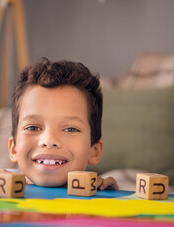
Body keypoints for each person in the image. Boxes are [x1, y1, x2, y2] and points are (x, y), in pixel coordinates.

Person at [8, 58, 118, 190]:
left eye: (70, 129)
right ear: (13, 148)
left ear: (94, 151)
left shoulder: (102, 194)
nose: (49, 141)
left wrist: (109, 199)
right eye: (33, 127)